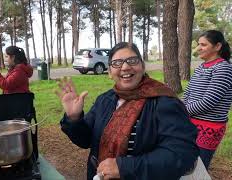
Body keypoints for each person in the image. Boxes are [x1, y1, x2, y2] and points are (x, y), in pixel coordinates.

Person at [56, 42, 199, 180]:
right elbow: (86, 141)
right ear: (110, 72)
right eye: (117, 63)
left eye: (132, 60)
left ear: (142, 67)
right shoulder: (105, 100)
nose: (125, 67)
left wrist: (125, 168)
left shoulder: (164, 102)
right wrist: (74, 119)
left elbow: (182, 154)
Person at [183, 30, 232, 169]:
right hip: (190, 124)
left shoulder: (223, 68)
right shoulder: (200, 68)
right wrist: (178, 105)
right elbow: (188, 93)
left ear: (217, 46)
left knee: (199, 168)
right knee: (187, 165)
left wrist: (181, 110)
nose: (198, 48)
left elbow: (209, 102)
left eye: (203, 45)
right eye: (198, 44)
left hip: (209, 129)